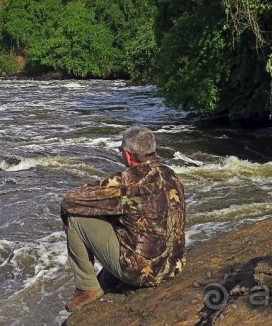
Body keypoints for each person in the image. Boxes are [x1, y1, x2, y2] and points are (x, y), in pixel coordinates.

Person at [60, 126, 186, 312]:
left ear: (127, 154)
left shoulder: (128, 180)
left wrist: (65, 218)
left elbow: (70, 199)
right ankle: (108, 281)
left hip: (142, 273)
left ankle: (87, 288)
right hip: (173, 266)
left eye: (121, 150)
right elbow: (139, 202)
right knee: (116, 215)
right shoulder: (170, 174)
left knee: (76, 219)